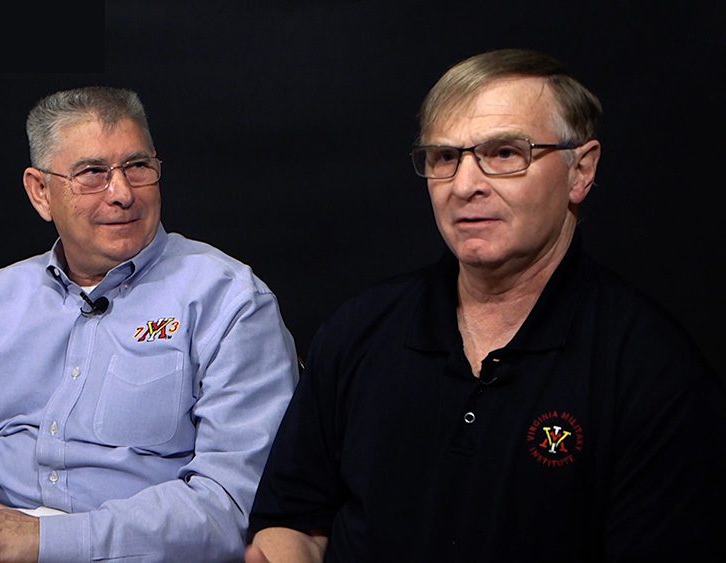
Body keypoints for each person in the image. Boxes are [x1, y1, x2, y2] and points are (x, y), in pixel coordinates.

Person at [245, 48, 726, 562]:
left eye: (504, 154)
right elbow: (288, 524)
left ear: (580, 171)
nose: (466, 185)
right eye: (445, 157)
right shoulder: (358, 331)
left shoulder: (652, 372)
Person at [0, 86, 300, 562]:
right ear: (40, 192)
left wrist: (46, 541)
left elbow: (229, 503)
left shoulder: (231, 300)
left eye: (138, 167)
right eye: (92, 173)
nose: (122, 193)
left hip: (126, 552)